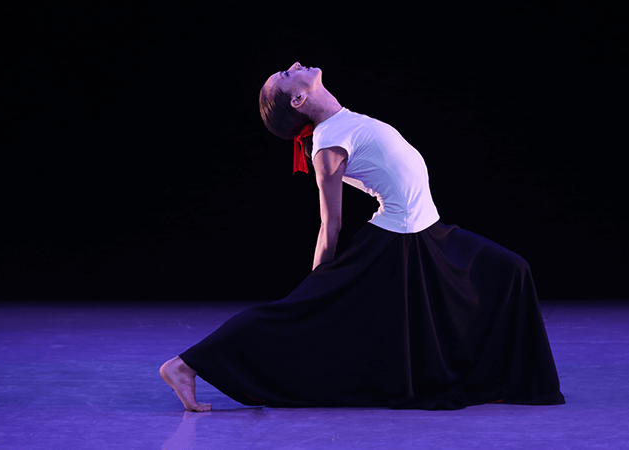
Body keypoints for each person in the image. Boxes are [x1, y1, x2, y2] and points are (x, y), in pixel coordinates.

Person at [160, 62, 564, 411]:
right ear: (297, 100)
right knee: (294, 313)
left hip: (429, 233)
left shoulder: (340, 122)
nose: (296, 64)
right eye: (286, 73)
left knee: (512, 270)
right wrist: (318, 283)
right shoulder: (327, 144)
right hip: (399, 242)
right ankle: (185, 365)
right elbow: (330, 223)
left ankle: (506, 379)